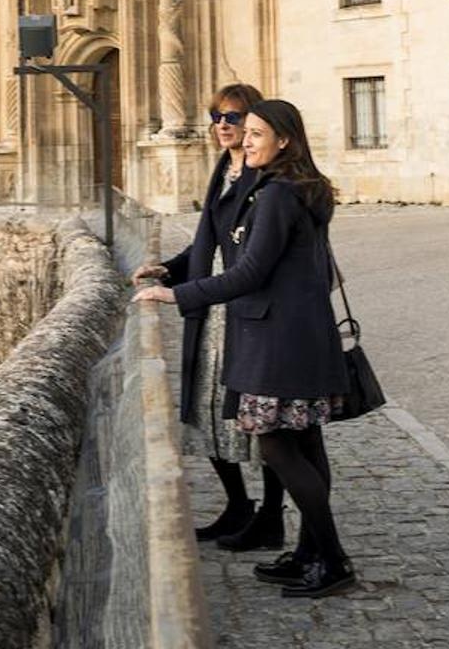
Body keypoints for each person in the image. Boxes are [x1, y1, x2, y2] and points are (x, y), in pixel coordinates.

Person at [133, 99, 355, 599]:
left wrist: (176, 294)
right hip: (296, 336)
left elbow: (250, 272)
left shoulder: (276, 195)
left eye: (255, 133)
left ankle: (332, 558)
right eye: (244, 131)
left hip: (276, 340)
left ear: (285, 141)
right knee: (303, 445)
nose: (244, 140)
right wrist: (177, 268)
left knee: (277, 444)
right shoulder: (294, 189)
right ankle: (309, 552)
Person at [132, 82, 287, 551]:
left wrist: (177, 295)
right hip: (213, 307)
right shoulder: (224, 168)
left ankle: (271, 515)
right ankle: (238, 505)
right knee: (207, 407)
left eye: (234, 117)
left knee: (261, 420)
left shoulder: (265, 178)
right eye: (217, 117)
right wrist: (169, 270)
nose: (223, 125)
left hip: (245, 309)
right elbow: (209, 242)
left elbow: (254, 260)